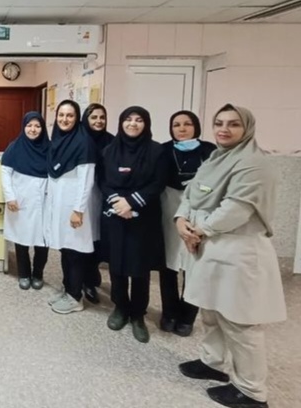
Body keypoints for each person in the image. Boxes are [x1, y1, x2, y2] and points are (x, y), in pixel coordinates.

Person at [175, 104, 286, 408]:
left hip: (238, 250)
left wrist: (198, 231)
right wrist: (180, 220)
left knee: (240, 323)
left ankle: (252, 391)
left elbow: (236, 209)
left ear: (246, 128)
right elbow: (191, 193)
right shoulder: (216, 158)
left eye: (233, 124)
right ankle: (213, 362)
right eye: (219, 123)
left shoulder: (255, 164)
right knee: (211, 311)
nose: (224, 129)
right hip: (209, 247)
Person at [99, 106, 165, 343]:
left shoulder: (156, 151)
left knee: (139, 267)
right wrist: (119, 203)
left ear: (146, 124)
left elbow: (158, 183)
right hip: (116, 215)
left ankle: (138, 314)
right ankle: (120, 307)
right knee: (117, 264)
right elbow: (103, 181)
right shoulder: (109, 150)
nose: (133, 124)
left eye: (139, 120)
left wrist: (131, 203)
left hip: (143, 216)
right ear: (121, 123)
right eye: (128, 119)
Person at [159, 110, 215, 337]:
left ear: (196, 127)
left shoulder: (210, 151)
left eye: (187, 124)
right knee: (169, 263)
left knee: (195, 262)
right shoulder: (163, 150)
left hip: (200, 208)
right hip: (169, 207)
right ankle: (169, 312)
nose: (182, 128)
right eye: (176, 124)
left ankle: (188, 315)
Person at [44, 100, 97, 314]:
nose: (65, 119)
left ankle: (76, 297)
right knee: (66, 250)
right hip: (60, 206)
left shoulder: (83, 142)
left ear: (77, 119)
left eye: (70, 115)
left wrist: (78, 210)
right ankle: (68, 290)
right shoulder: (57, 140)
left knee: (75, 252)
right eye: (61, 115)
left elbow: (86, 181)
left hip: (75, 208)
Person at [1, 112, 50, 290]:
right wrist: (10, 197)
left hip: (44, 201)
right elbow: (5, 173)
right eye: (29, 125)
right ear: (24, 127)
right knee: (21, 239)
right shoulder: (14, 147)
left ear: (42, 128)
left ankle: (38, 274)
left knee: (43, 241)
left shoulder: (50, 148)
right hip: (20, 200)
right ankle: (24, 273)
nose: (33, 129)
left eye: (37, 126)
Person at [80, 103, 114, 304]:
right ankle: (86, 280)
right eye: (94, 117)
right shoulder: (79, 139)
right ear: (86, 119)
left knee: (99, 238)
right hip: (84, 195)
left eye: (102, 117)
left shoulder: (112, 141)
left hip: (105, 194)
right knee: (84, 236)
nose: (99, 121)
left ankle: (92, 274)